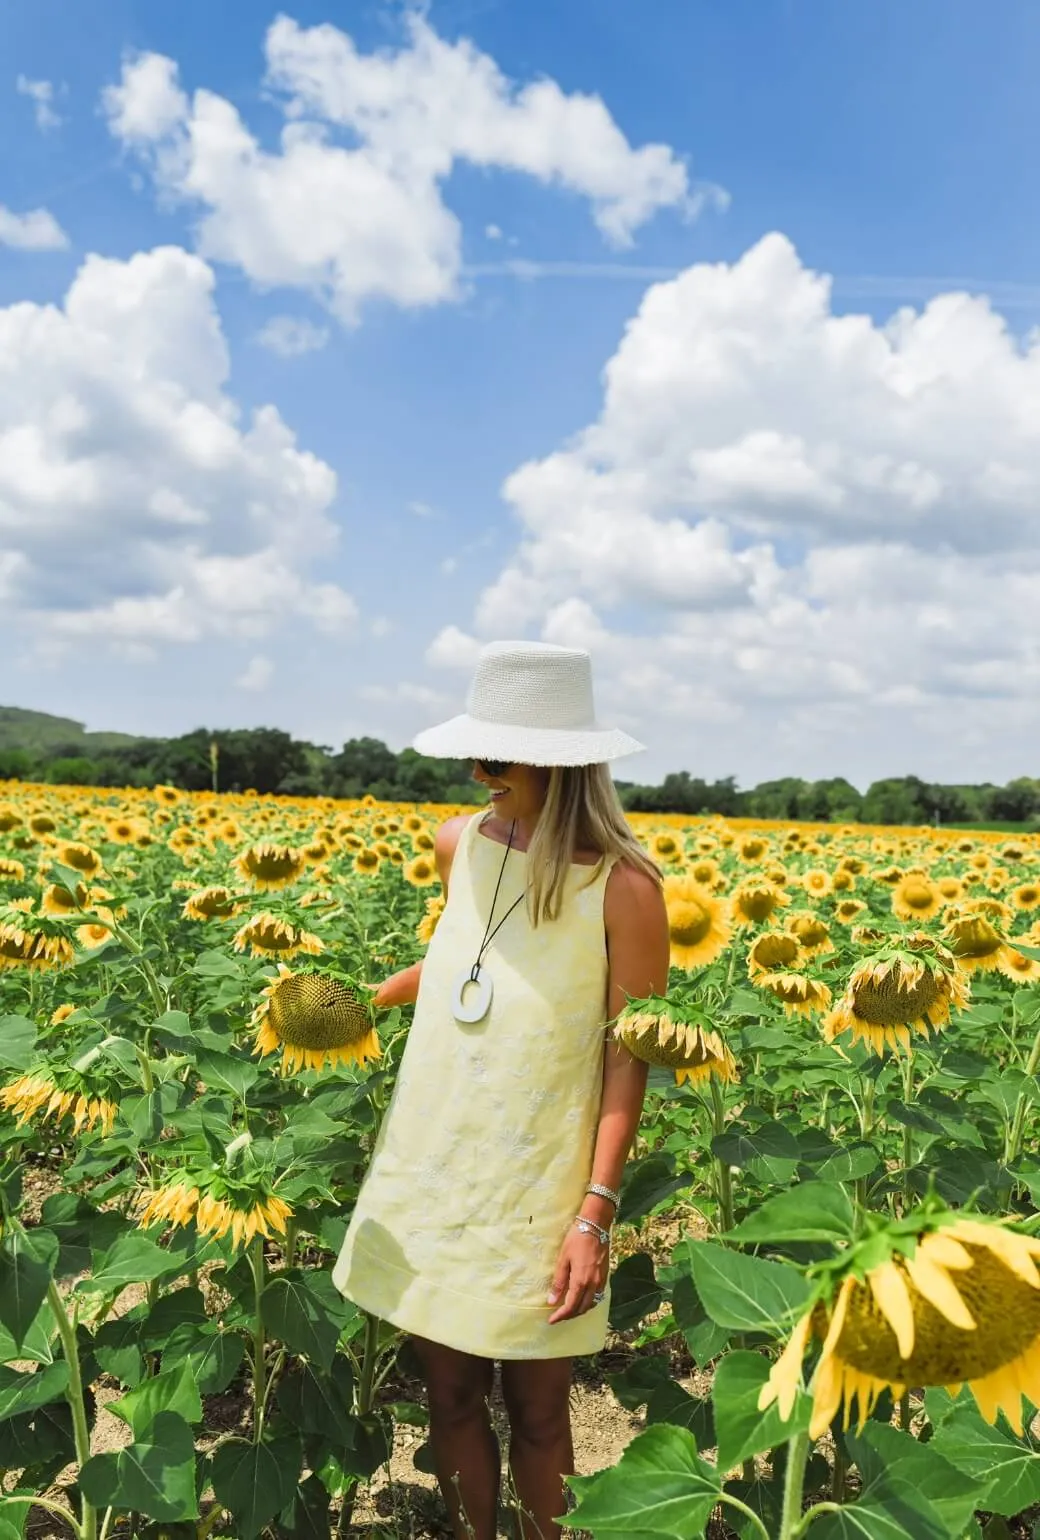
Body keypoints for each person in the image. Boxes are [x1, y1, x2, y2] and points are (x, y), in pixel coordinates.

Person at [333, 640, 670, 1540]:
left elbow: (625, 1056)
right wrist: (345, 1003)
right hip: (436, 1163)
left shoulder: (625, 889)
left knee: (541, 1412)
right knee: (446, 1401)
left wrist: (593, 1214)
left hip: (541, 1185)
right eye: (476, 754)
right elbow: (465, 960)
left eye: (494, 755)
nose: (477, 773)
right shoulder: (459, 844)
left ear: (560, 763)